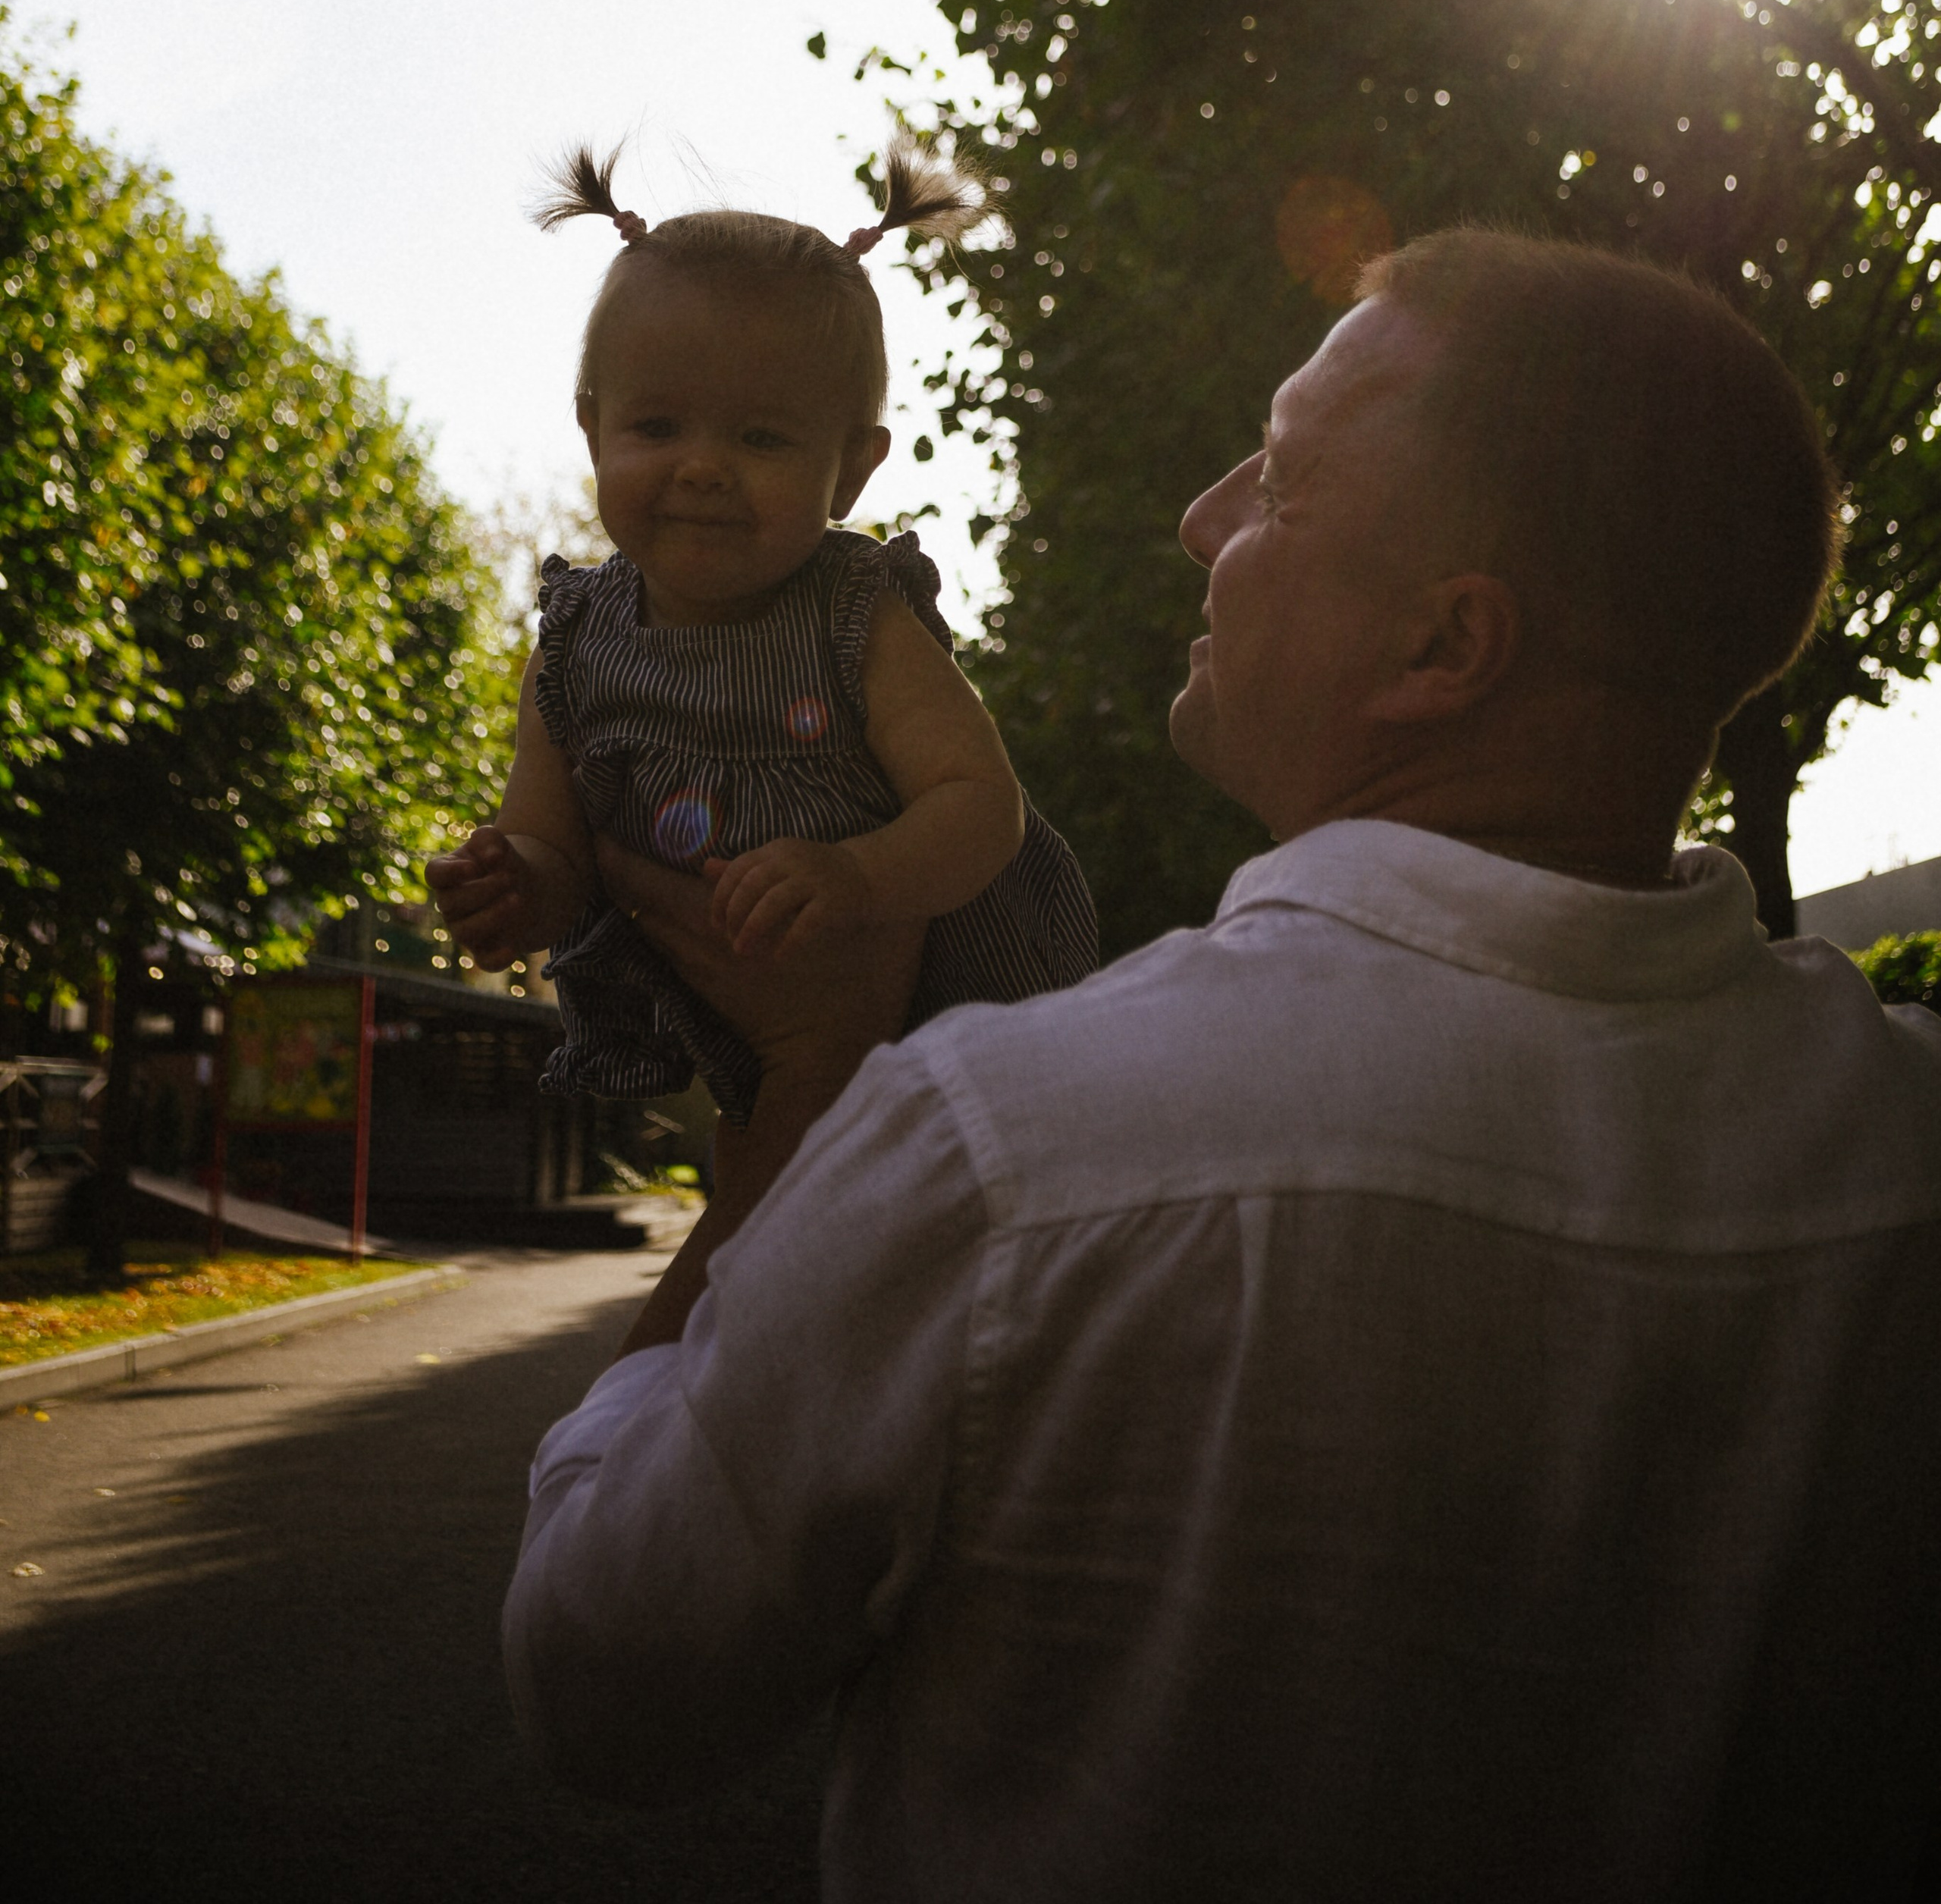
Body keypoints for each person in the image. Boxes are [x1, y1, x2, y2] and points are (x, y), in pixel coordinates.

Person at [503, 231, 1941, 1902]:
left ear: (1440, 651)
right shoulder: (1901, 1138)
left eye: (1278, 480)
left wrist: (787, 1110)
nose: (1198, 518)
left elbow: (599, 1677)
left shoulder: (1003, 1148)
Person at [428, 136, 1095, 1325]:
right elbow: (552, 845)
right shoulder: (576, 642)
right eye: (660, 426)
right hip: (745, 1014)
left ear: (852, 468)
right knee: (771, 1195)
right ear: (592, 429)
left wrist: (856, 874)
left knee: (767, 1240)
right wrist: (507, 886)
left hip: (929, 1007)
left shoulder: (858, 616)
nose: (702, 469)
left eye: (763, 439)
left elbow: (979, 807)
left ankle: (679, 1382)